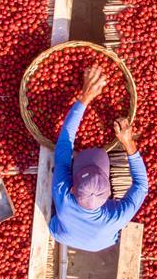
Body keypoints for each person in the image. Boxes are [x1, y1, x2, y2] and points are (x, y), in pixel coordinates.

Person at [48, 63, 149, 252]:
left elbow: (64, 141)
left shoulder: (61, 194)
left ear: (72, 187)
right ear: (110, 194)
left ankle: (80, 160)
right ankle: (82, 160)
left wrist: (85, 97)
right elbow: (141, 185)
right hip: (99, 244)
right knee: (109, 236)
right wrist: (128, 142)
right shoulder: (116, 217)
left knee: (54, 225)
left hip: (62, 233)